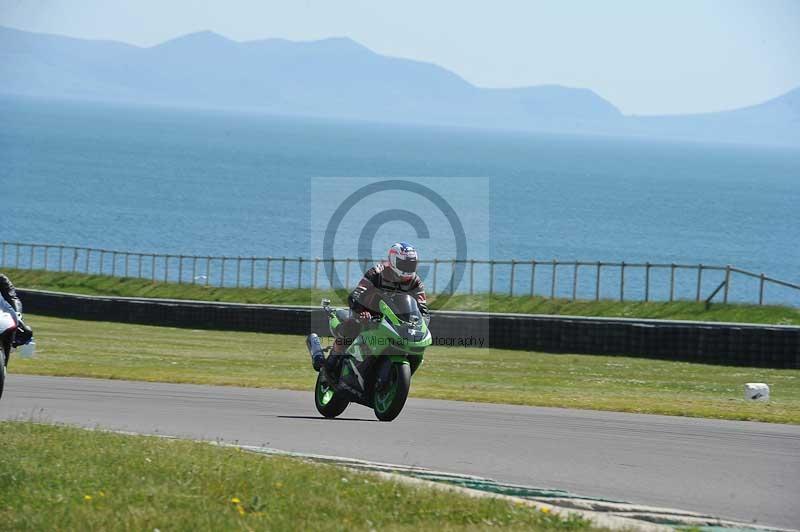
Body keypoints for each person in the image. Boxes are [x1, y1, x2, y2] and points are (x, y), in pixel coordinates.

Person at [324, 242, 429, 378]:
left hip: (393, 319)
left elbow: (423, 308)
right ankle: (330, 365)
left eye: (411, 264)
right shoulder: (377, 273)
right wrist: (361, 312)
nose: (408, 268)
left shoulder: (415, 281)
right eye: (405, 264)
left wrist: (422, 323)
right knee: (351, 329)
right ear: (393, 261)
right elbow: (355, 296)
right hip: (366, 313)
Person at [0, 273, 33, 357]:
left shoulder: (2, 279)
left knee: (25, 332)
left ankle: (3, 366)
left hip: (2, 319)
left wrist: (18, 315)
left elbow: (13, 298)